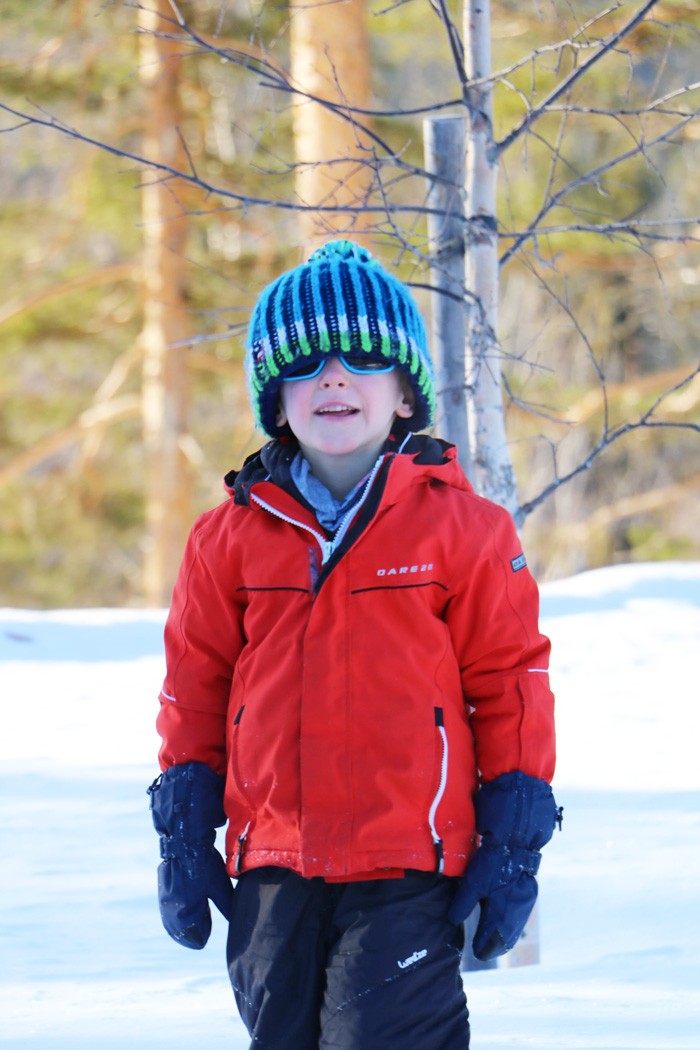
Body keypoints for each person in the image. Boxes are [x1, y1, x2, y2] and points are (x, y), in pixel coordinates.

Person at [148, 239, 560, 1050]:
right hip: (271, 864)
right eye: (306, 363)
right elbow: (194, 688)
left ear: (406, 394)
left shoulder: (465, 530)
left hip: (408, 863)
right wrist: (184, 830)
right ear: (277, 400)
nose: (333, 377)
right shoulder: (225, 537)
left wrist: (512, 839)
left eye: (363, 358)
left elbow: (511, 683)